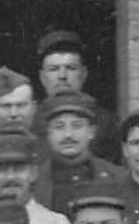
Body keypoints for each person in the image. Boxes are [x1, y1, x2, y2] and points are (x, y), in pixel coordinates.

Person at [34, 90, 124, 222]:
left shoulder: (119, 178)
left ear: (92, 131)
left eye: (77, 126)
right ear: (48, 133)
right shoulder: (33, 182)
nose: (68, 135)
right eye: (59, 127)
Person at [31, 30, 119, 162]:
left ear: (83, 74)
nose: (62, 76)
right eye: (54, 69)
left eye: (71, 68)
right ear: (42, 77)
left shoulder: (108, 123)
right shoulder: (30, 121)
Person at [0, 66, 37, 133]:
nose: (13, 114)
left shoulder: (51, 142)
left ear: (34, 108)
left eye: (21, 105)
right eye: (6, 106)